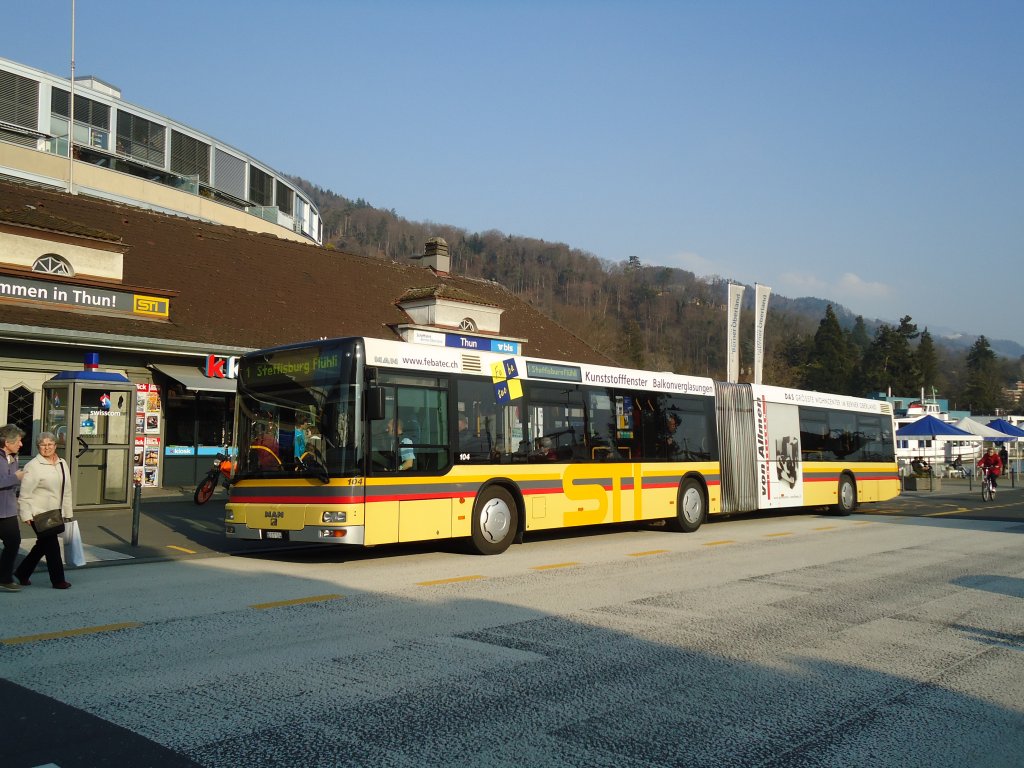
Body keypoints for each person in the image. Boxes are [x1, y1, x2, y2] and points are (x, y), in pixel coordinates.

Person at [14, 432, 72, 589]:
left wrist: (67, 512)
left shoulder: (62, 463)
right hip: (38, 513)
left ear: (55, 445)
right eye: (42, 445)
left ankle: (22, 573)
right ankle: (58, 580)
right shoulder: (32, 466)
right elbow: (24, 494)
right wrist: (25, 514)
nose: (46, 448)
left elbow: (66, 490)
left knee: (42, 545)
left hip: (55, 513)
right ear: (38, 447)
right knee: (52, 546)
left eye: (49, 444)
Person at [0, 424, 25, 593]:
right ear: (7, 442)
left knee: (13, 542)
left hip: (8, 510)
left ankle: (5, 578)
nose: (21, 444)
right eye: (18, 441)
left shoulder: (14, 457)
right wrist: (15, 478)